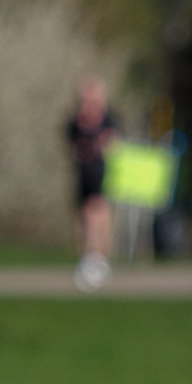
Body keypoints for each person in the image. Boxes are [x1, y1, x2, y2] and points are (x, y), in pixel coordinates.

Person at [65, 76, 118, 289]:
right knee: (83, 216)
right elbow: (75, 149)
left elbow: (112, 147)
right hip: (83, 175)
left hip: (102, 174)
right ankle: (88, 259)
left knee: (96, 213)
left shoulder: (109, 121)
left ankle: (97, 259)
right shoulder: (75, 123)